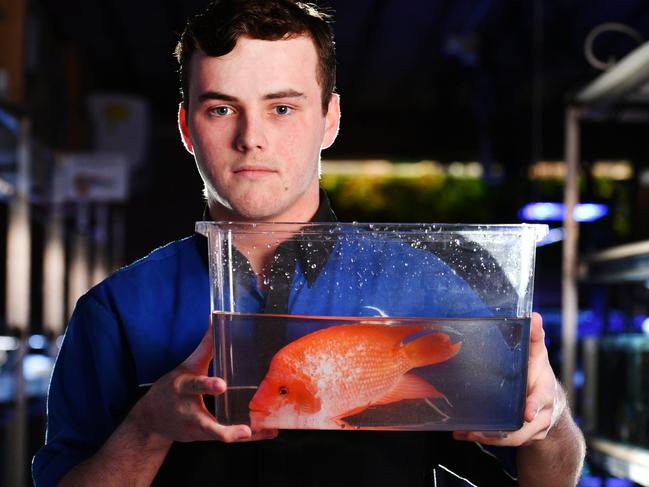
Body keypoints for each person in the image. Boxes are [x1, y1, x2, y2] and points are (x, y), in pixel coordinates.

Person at [32, 0, 586, 485]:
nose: (252, 138)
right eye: (221, 108)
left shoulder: (426, 284)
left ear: (330, 120)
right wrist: (148, 427)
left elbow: (548, 479)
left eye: (282, 107)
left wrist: (550, 419)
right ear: (186, 128)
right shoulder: (117, 311)